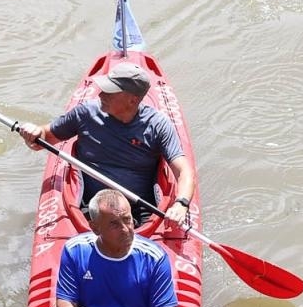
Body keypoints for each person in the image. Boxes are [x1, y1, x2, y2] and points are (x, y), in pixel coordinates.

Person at [15, 60, 195, 228]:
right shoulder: (85, 114)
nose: (101, 94)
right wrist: (34, 132)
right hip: (91, 206)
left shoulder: (158, 125)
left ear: (132, 100)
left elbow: (184, 171)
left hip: (140, 207)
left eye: (110, 91)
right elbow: (44, 139)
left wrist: (181, 204)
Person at [55, 189, 179, 307]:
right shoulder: (75, 250)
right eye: (114, 224)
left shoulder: (154, 257)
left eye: (128, 220)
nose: (126, 229)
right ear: (95, 228)